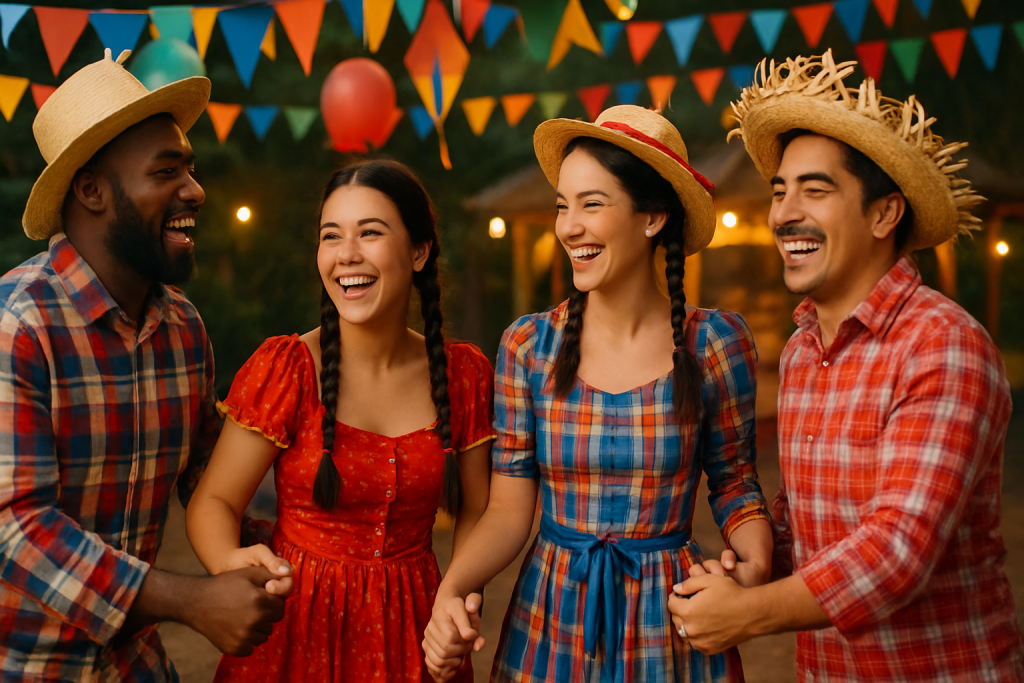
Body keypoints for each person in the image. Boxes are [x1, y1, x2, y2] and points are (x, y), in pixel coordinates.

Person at [670, 50, 1024, 681]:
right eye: (780, 192)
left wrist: (747, 612)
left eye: (815, 189)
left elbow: (897, 551)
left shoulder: (943, 344)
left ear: (884, 213)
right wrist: (751, 562)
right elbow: (804, 521)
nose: (784, 213)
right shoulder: (805, 350)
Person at [422, 105, 773, 683]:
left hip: (674, 617)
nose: (569, 227)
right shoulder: (529, 346)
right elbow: (510, 510)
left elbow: (734, 481)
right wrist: (453, 588)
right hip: (551, 613)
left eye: (592, 204)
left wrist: (753, 565)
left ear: (652, 217)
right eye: (564, 205)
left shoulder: (714, 343)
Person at [0, 50, 292, 681]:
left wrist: (316, 546)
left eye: (189, 168)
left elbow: (209, 481)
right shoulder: (18, 325)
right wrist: (189, 599)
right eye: (167, 171)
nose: (195, 190)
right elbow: (15, 528)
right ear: (92, 190)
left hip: (136, 667)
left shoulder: (184, 328)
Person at [185, 158, 495, 683]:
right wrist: (229, 566)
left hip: (417, 631)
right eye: (332, 236)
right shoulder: (287, 369)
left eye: (370, 233)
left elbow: (479, 512)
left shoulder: (464, 375)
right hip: (293, 628)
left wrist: (458, 603)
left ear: (419, 252)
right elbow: (212, 502)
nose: (346, 255)